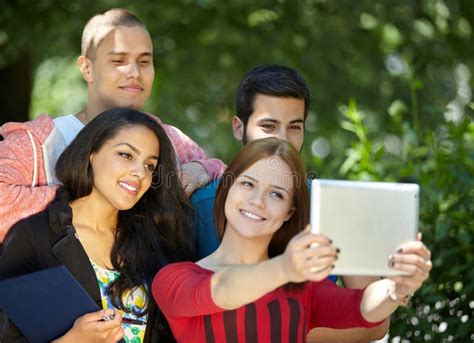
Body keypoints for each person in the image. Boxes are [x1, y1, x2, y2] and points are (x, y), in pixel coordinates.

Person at [153, 137, 432, 343]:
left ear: (289, 212)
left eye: (276, 194)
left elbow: (363, 308)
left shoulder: (301, 289)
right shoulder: (174, 278)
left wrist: (398, 285)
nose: (257, 201)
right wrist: (285, 268)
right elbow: (223, 291)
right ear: (226, 188)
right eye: (248, 184)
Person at [190, 65, 387, 341]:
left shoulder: (337, 205)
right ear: (239, 127)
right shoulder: (199, 206)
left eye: (294, 127)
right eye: (268, 126)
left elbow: (377, 324)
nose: (282, 140)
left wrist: (285, 331)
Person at [0, 8, 225, 242]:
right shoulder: (39, 142)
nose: (135, 72)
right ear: (87, 68)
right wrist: (90, 202)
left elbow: (235, 178)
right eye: (119, 60)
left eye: (144, 61)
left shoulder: (171, 140)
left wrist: (201, 168)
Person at [0, 109, 194, 342]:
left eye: (150, 165)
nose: (139, 172)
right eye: (126, 155)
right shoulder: (34, 237)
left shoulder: (157, 243)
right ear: (92, 152)